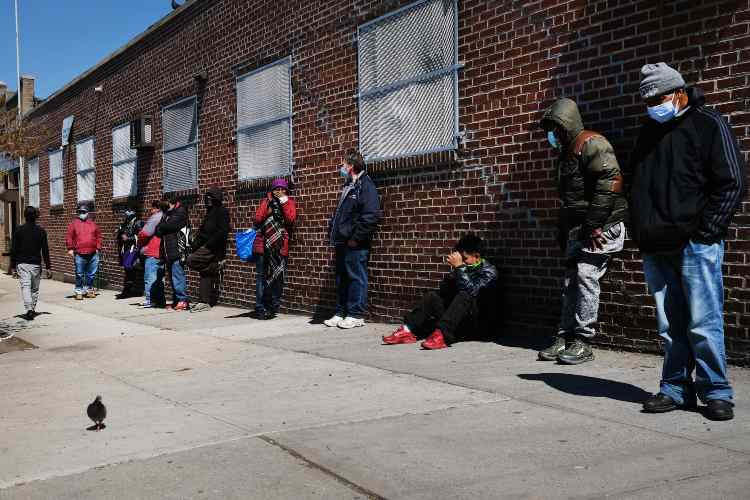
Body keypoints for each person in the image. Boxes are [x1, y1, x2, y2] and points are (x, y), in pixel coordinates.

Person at [630, 63, 746, 421]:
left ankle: (716, 391)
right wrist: (640, 229)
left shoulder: (708, 123)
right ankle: (675, 388)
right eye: (647, 100)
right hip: (657, 245)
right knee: (670, 325)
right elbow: (637, 183)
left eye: (659, 97)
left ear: (679, 91)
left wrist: (706, 230)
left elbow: (733, 181)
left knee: (703, 322)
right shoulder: (648, 132)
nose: (653, 105)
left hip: (695, 243)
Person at [536, 98, 628, 365]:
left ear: (566, 125)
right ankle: (564, 336)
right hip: (580, 228)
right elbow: (570, 200)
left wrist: (594, 224)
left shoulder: (592, 144)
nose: (551, 134)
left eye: (555, 128)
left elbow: (610, 182)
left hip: (601, 226)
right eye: (549, 129)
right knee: (570, 283)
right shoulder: (566, 153)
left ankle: (583, 341)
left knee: (586, 276)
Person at [383, 234, 498, 350]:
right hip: (457, 319)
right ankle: (407, 330)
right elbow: (445, 292)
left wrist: (460, 268)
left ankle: (442, 336)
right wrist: (454, 275)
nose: (462, 261)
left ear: (476, 256)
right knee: (432, 296)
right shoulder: (464, 268)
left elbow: (472, 291)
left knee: (465, 294)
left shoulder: (489, 272)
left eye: (464, 258)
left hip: (477, 324)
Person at [325, 149, 382, 329]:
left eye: (343, 164)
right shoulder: (349, 185)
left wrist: (355, 238)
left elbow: (371, 215)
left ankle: (356, 314)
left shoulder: (365, 186)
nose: (341, 167)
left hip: (355, 243)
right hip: (342, 241)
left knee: (356, 277)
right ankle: (341, 311)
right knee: (342, 278)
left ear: (351, 166)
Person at [251, 178, 297, 320]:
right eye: (277, 189)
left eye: (283, 189)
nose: (280, 191)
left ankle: (272, 306)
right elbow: (257, 219)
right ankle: (260, 307)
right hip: (262, 245)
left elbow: (291, 219)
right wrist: (268, 205)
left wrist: (283, 202)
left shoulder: (289, 203)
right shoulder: (266, 201)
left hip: (279, 246)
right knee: (261, 277)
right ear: (272, 190)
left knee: (277, 276)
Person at [186, 187, 230, 313]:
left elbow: (222, 232)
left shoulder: (222, 212)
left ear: (217, 199)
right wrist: (194, 245)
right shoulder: (209, 213)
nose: (209, 200)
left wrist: (208, 245)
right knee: (206, 273)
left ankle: (215, 266)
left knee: (190, 260)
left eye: (211, 198)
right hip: (204, 246)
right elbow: (202, 233)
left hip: (213, 248)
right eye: (207, 198)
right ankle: (204, 302)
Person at [9, 206, 51, 320]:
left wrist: (12, 266)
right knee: (34, 289)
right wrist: (48, 267)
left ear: (24, 216)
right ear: (35, 217)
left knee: (25, 287)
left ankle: (29, 309)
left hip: (22, 264)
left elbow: (13, 249)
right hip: (35, 264)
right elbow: (45, 250)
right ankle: (32, 308)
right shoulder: (41, 231)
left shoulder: (18, 230)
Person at [155, 194, 189, 311]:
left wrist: (162, 227)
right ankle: (176, 301)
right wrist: (162, 227)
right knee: (172, 277)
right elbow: (158, 230)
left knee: (177, 275)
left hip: (177, 249)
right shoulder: (167, 213)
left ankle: (182, 301)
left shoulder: (180, 211)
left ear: (169, 201)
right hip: (167, 250)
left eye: (164, 203)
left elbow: (169, 225)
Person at [65, 202, 102, 301]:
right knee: (79, 274)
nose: (82, 213)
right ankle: (79, 291)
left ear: (87, 212)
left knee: (91, 274)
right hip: (79, 253)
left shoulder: (93, 224)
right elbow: (69, 237)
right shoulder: (73, 224)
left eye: (84, 211)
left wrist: (98, 247)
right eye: (80, 211)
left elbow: (98, 236)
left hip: (93, 252)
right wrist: (70, 249)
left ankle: (89, 290)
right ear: (78, 212)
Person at [137, 200, 165, 308]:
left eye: (152, 208)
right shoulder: (166, 217)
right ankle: (160, 300)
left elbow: (145, 233)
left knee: (150, 277)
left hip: (152, 249)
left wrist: (139, 242)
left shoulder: (156, 217)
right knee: (159, 278)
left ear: (157, 208)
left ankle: (150, 299)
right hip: (162, 251)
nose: (151, 211)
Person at [115, 208, 143, 299]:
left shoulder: (138, 222)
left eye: (129, 210)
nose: (127, 212)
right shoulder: (126, 222)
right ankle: (128, 291)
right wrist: (120, 232)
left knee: (130, 269)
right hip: (126, 250)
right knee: (128, 270)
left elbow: (140, 236)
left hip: (133, 250)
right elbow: (121, 233)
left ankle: (129, 291)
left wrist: (128, 238)